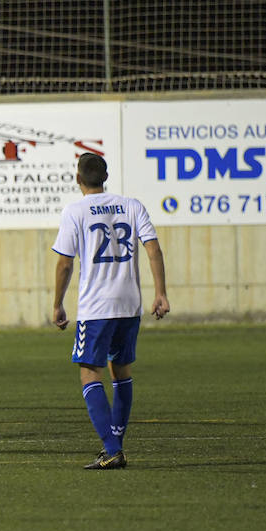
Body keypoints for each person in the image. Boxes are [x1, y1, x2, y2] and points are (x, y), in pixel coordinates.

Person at [52, 152, 170, 470]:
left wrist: (57, 302)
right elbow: (153, 248)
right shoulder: (132, 206)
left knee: (90, 373)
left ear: (78, 178)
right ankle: (115, 443)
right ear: (106, 176)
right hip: (129, 303)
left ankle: (112, 448)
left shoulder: (75, 210)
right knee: (122, 371)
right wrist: (160, 293)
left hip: (96, 306)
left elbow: (64, 262)